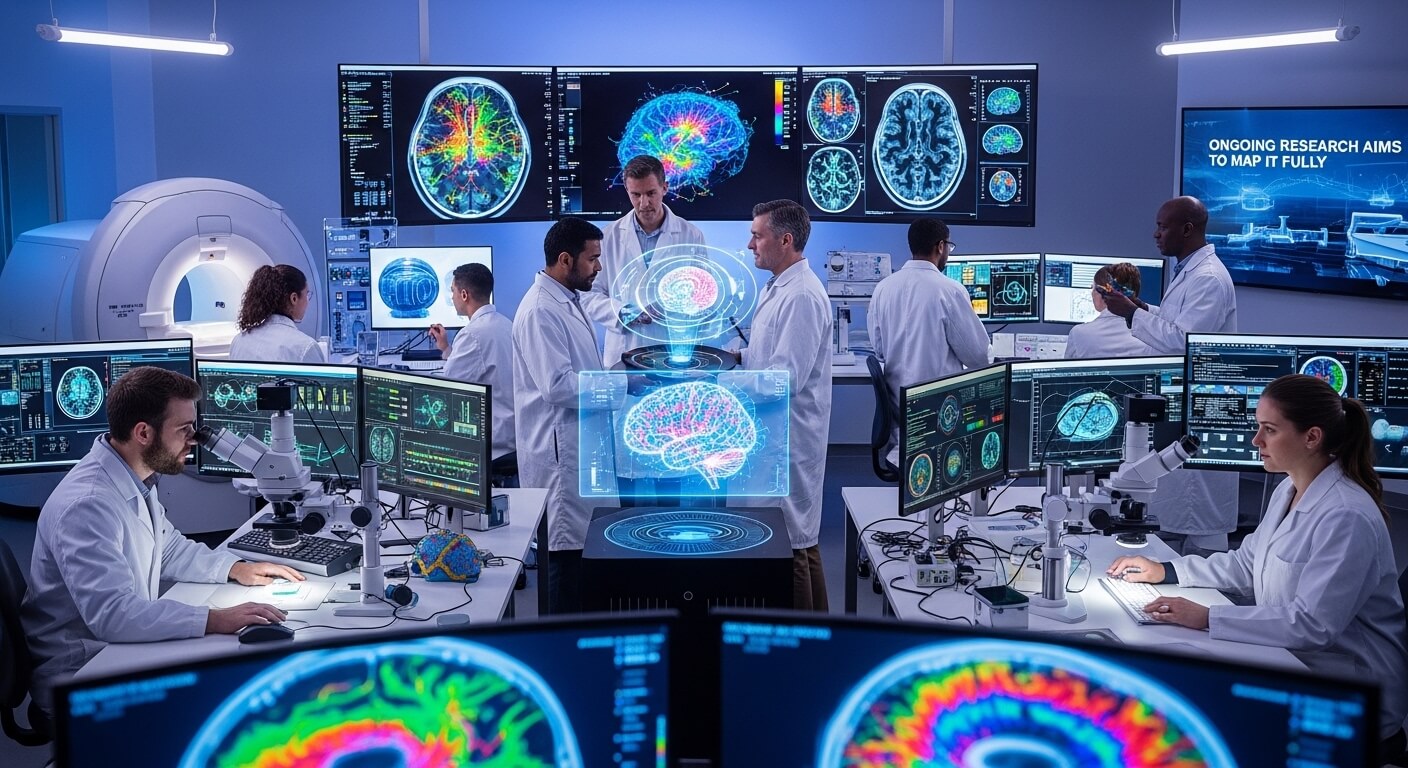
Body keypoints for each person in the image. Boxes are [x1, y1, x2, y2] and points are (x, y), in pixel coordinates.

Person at [1107, 374, 1408, 746]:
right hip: (1293, 661)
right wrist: (1167, 570)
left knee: (1183, 720)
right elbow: (1248, 563)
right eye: (1257, 427)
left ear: (1311, 437)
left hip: (1351, 690)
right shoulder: (1291, 487)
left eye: (1269, 430)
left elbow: (1311, 624)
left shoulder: (1347, 515)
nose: (1256, 441)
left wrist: (1206, 616)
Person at [21, 367, 302, 715]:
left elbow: (167, 548)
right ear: (143, 432)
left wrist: (236, 568)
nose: (194, 439)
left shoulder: (133, 476)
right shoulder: (88, 505)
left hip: (118, 647)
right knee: (232, 700)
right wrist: (214, 618)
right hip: (84, 669)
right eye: (184, 430)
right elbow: (113, 614)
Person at [741, 200, 833, 611]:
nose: (749, 244)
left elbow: (785, 378)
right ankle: (822, 635)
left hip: (788, 439)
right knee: (802, 541)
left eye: (757, 235)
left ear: (786, 239)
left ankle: (800, 647)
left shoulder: (800, 296)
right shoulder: (780, 287)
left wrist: (725, 384)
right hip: (777, 435)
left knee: (790, 546)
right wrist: (731, 358)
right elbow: (766, 356)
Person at [512, 217, 606, 614]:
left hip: (578, 451)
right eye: (593, 259)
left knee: (580, 566)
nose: (599, 267)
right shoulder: (540, 311)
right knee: (565, 568)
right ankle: (561, 650)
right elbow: (559, 386)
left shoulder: (566, 300)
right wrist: (619, 388)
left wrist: (613, 376)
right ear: (565, 260)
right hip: (560, 458)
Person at [868, 218, 989, 467]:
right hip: (940, 428)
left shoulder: (883, 288)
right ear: (941, 246)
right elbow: (978, 357)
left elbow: (879, 349)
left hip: (901, 432)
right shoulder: (950, 290)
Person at [580, 154, 706, 369]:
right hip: (624, 350)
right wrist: (626, 312)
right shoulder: (609, 236)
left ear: (665, 188)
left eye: (651, 193)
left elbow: (702, 293)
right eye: (635, 195)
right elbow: (589, 295)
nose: (644, 203)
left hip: (671, 350)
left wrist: (675, 304)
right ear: (627, 192)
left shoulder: (690, 235)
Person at [1101, 196, 1237, 354]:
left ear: (1186, 230)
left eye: (1163, 227)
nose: (1156, 234)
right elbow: (1177, 321)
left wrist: (1131, 312)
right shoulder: (1188, 269)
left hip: (1191, 375)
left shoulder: (1208, 279)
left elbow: (1183, 343)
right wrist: (1144, 309)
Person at [428, 262, 516, 463]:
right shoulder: (505, 324)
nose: (452, 297)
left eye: (453, 292)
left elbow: (446, 388)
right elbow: (479, 367)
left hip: (495, 444)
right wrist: (446, 348)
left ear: (464, 295)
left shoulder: (472, 334)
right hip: (513, 435)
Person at [229, 264, 326, 362]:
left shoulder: (238, 342)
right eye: (307, 294)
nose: (307, 301)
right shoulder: (305, 347)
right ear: (294, 298)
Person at [1062, 262, 1153, 359]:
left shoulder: (1079, 334)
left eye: (1093, 288)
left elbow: (1067, 372)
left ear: (1103, 293)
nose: (1092, 293)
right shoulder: (1154, 334)